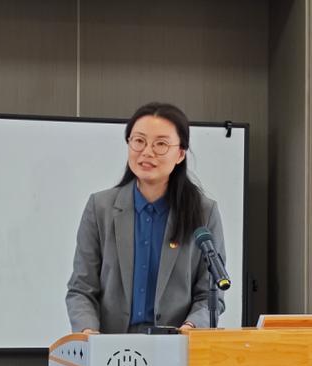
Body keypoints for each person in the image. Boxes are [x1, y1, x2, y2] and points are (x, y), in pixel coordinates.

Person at [66, 102, 226, 334]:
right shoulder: (100, 208)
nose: (147, 152)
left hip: (176, 345)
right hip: (111, 347)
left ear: (180, 154)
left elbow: (209, 295)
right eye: (139, 141)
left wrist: (190, 328)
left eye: (160, 144)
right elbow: (81, 289)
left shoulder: (204, 212)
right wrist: (89, 333)